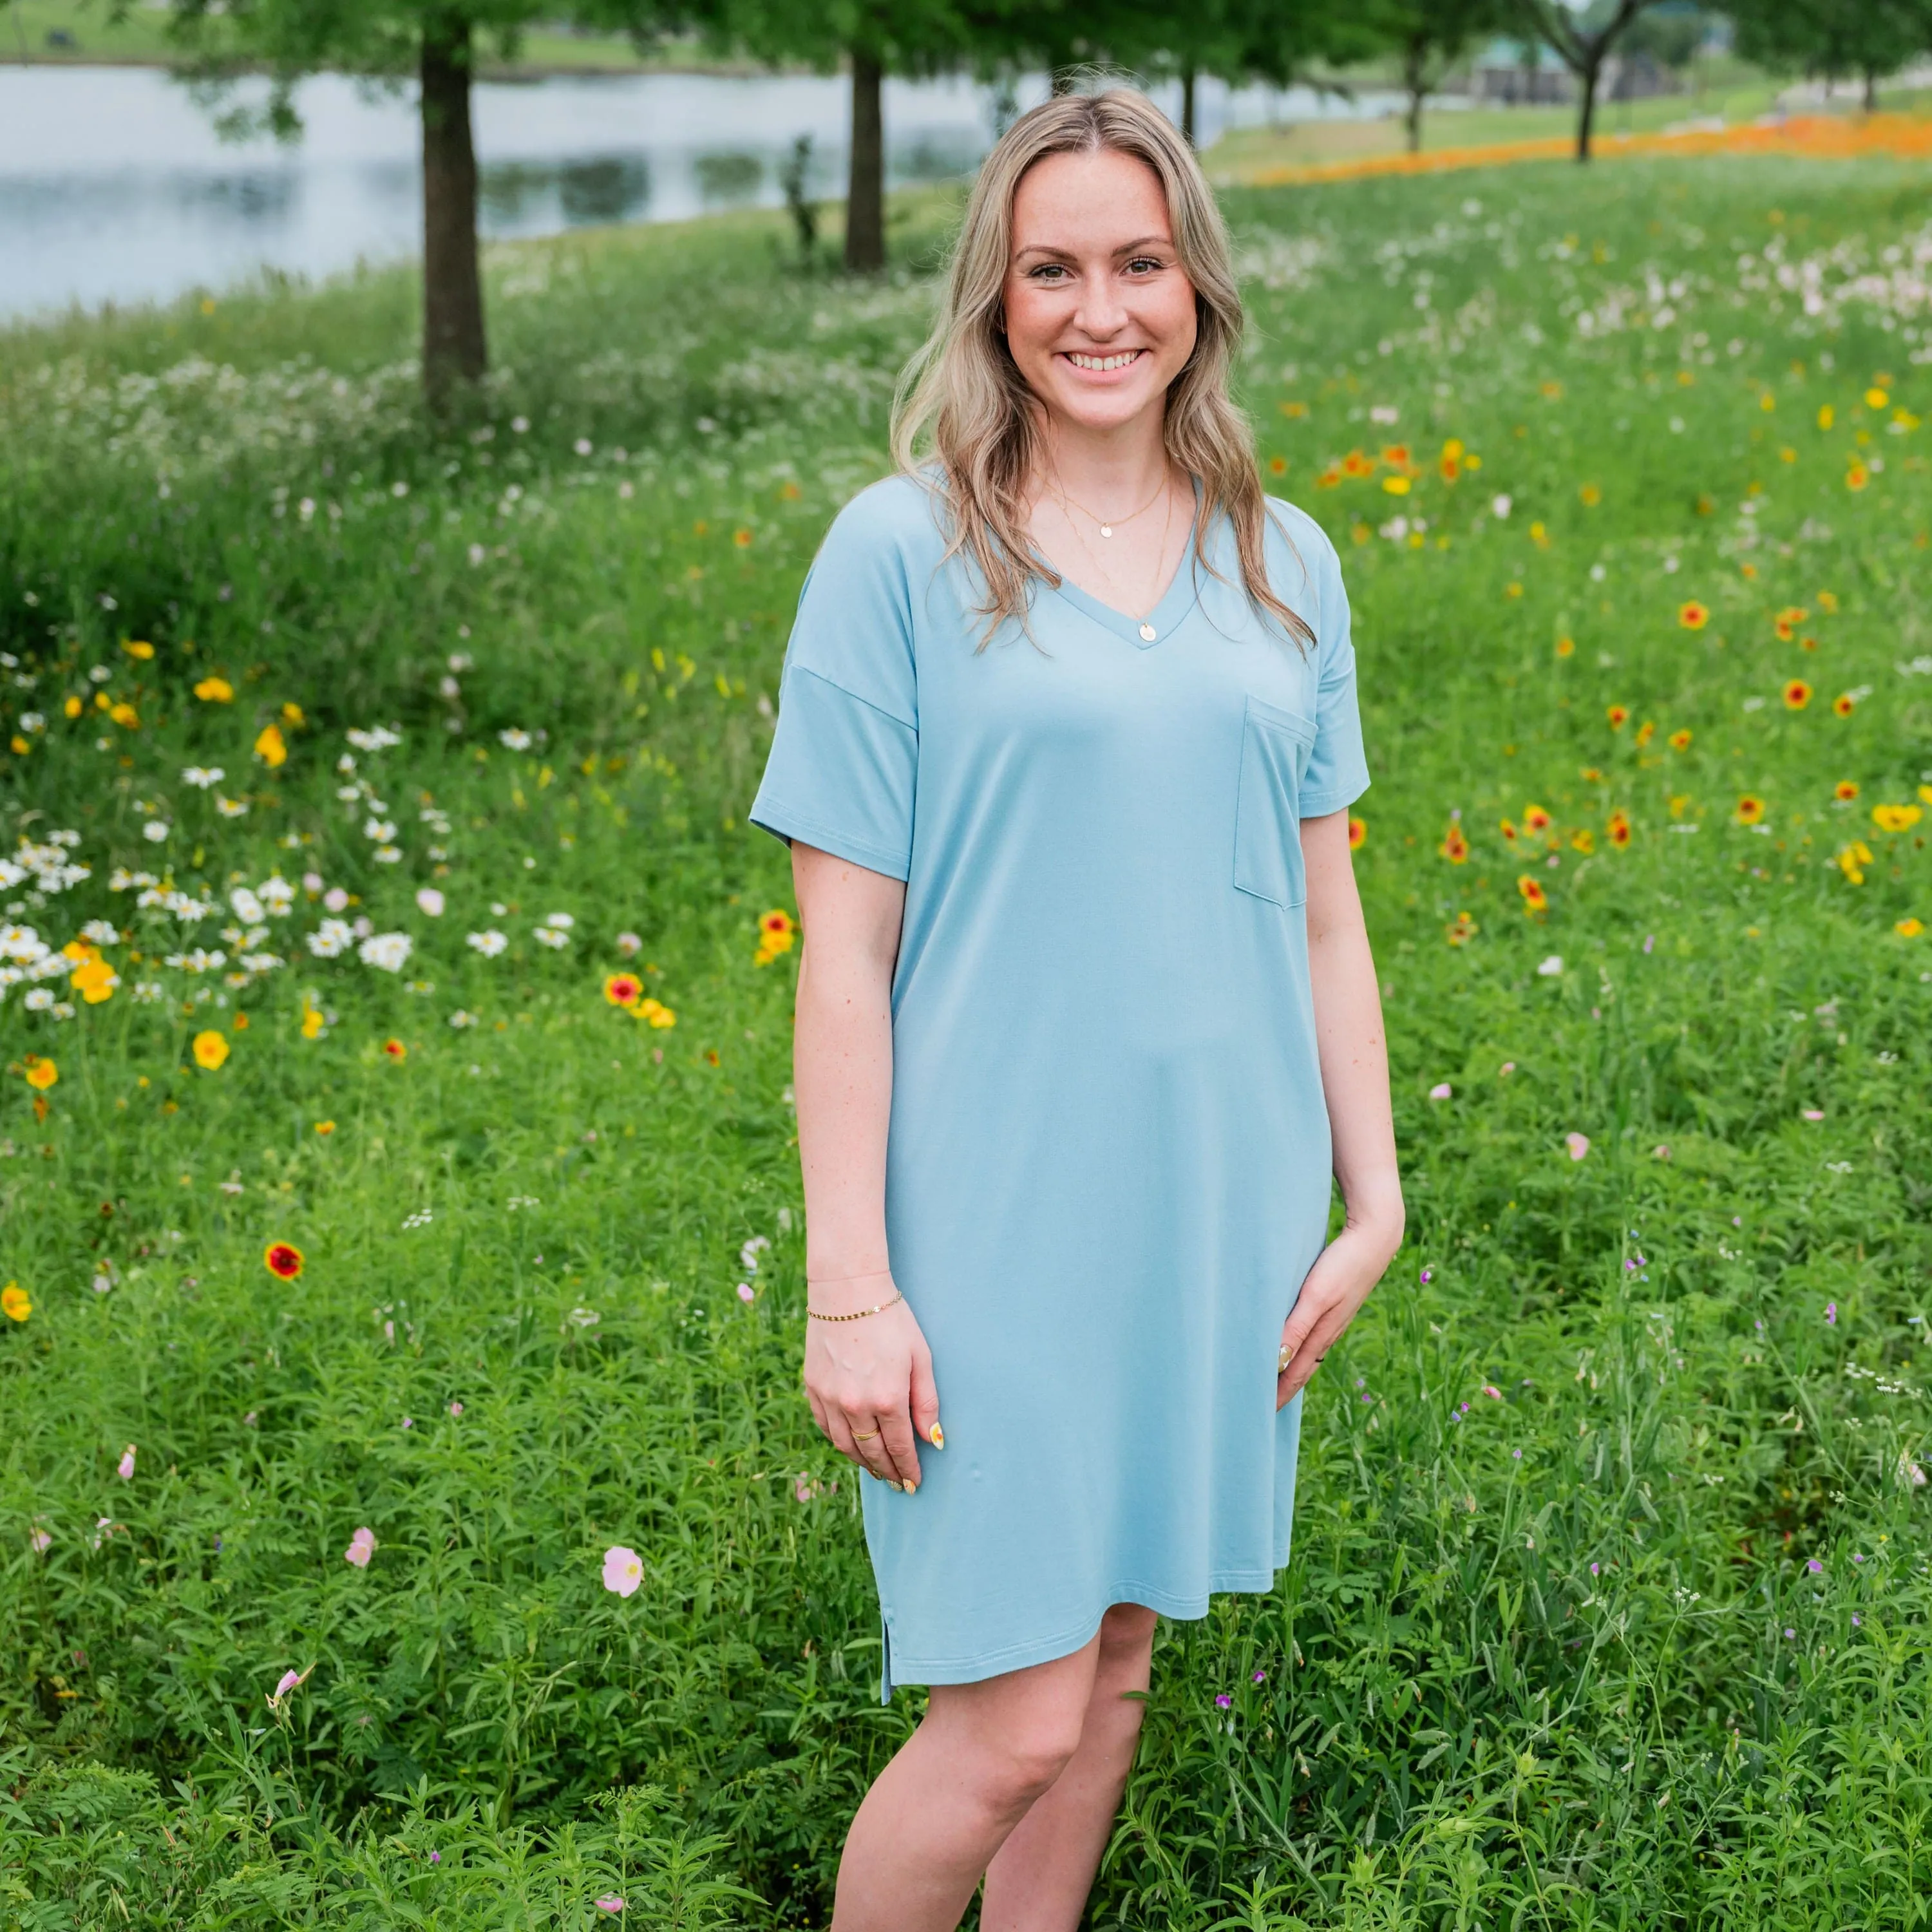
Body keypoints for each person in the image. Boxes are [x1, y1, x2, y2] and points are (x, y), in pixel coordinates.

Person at [748, 86, 1403, 1932]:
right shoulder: (898, 555)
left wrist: (1378, 1200)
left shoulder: (1286, 561)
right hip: (993, 1221)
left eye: (1138, 261)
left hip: (1216, 1208)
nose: (1099, 308)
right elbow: (846, 957)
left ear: (1197, 279)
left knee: (1115, 1659)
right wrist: (849, 1289)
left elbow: (1327, 920)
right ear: (993, 296)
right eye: (1052, 269)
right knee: (1008, 1723)